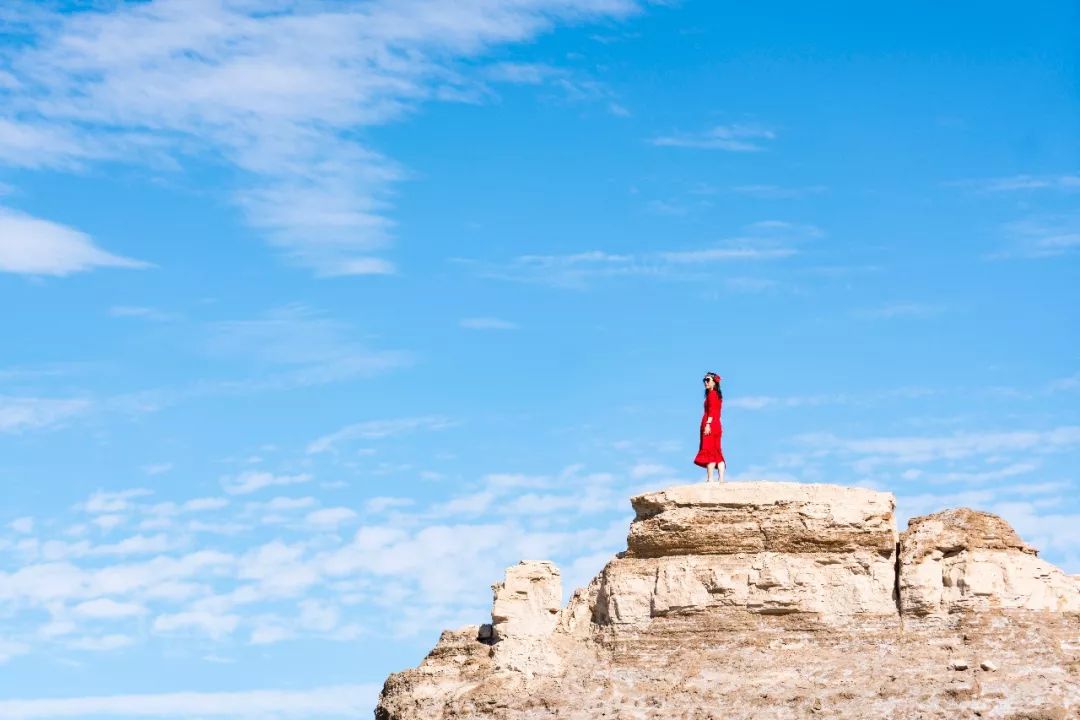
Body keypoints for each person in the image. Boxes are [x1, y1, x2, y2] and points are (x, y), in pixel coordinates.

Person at [693, 372, 725, 483]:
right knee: (717, 451)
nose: (705, 382)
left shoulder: (712, 394)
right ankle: (721, 479)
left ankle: (710, 479)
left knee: (710, 451)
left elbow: (711, 411)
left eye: (708, 380)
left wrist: (707, 424)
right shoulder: (718, 395)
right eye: (704, 380)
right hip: (717, 425)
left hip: (710, 424)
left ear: (714, 382)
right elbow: (717, 412)